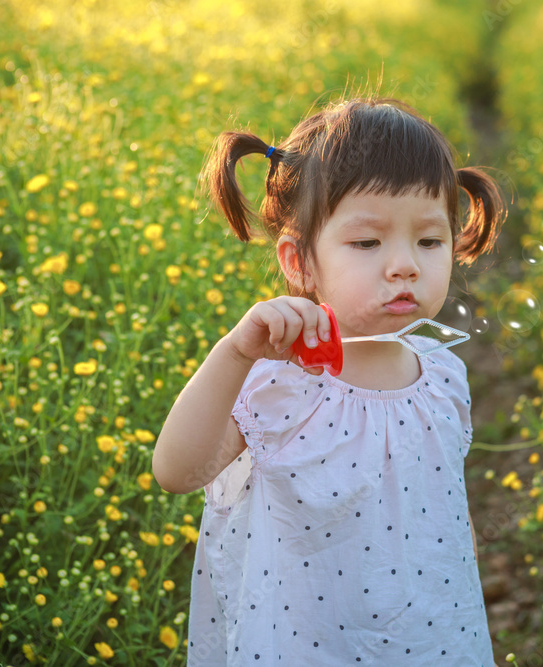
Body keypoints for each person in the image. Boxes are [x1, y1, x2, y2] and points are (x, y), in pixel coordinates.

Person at [152, 97, 507, 665]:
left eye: (429, 241)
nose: (405, 265)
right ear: (300, 262)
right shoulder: (280, 384)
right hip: (306, 641)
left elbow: (443, 511)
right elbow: (176, 472)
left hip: (429, 636)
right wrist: (233, 353)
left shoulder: (442, 374)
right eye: (367, 243)